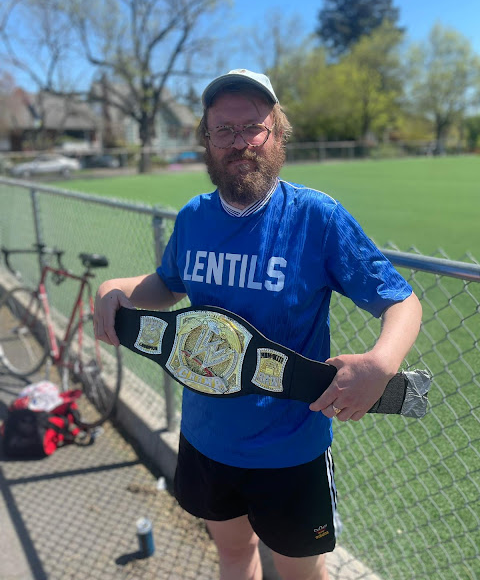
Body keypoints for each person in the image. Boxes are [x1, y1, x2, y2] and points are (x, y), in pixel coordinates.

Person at [94, 69, 422, 580]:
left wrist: (382, 363)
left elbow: (401, 302)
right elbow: (167, 284)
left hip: (290, 451)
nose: (238, 142)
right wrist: (117, 288)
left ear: (277, 133)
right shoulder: (194, 216)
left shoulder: (316, 217)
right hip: (205, 437)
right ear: (207, 140)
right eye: (223, 130)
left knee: (299, 575)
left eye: (252, 127)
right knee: (232, 555)